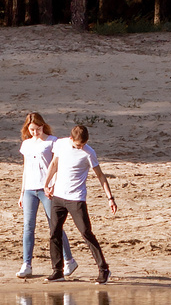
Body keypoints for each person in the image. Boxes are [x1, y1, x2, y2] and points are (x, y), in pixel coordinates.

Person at [43, 123, 114, 285]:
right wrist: (46, 184)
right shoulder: (61, 144)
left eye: (83, 144)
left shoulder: (88, 153)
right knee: (54, 232)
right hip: (59, 196)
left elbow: (100, 176)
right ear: (71, 139)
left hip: (76, 198)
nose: (81, 147)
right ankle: (57, 271)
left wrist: (110, 198)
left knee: (85, 232)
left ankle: (104, 269)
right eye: (78, 145)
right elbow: (54, 164)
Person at [15, 112, 73, 279]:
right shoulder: (26, 144)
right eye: (32, 129)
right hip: (30, 190)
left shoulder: (52, 142)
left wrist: (53, 185)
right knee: (28, 227)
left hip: (46, 188)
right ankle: (27, 264)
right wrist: (22, 192)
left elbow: (56, 165)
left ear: (43, 126)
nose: (35, 132)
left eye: (38, 129)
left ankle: (68, 260)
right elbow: (26, 169)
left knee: (54, 225)